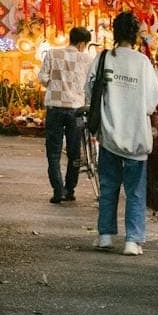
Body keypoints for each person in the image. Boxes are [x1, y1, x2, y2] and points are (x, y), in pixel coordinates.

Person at [87, 11, 158, 256]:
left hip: (109, 136)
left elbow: (89, 92)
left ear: (115, 33)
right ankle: (132, 240)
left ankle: (105, 236)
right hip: (137, 137)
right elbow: (153, 101)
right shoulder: (143, 63)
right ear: (136, 35)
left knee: (108, 188)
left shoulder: (103, 59)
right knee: (135, 192)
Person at [39, 27, 94, 205]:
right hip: (76, 110)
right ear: (81, 43)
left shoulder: (52, 54)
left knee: (53, 153)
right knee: (74, 152)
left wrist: (55, 85)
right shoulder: (87, 59)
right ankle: (70, 189)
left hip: (55, 108)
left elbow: (42, 77)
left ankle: (58, 190)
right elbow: (90, 84)